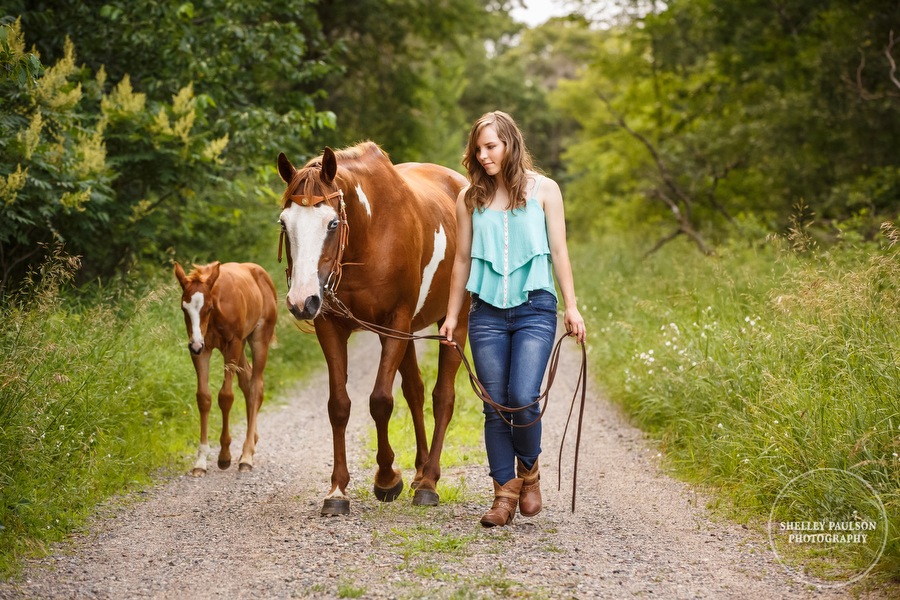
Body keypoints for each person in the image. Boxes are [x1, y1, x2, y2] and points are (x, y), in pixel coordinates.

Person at [440, 110, 586, 527]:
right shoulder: (469, 198)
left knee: (522, 397)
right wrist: (452, 316)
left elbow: (559, 252)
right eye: (478, 149)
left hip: (535, 307)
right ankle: (503, 496)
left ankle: (530, 471)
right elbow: (462, 260)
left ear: (510, 144)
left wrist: (571, 306)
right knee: (494, 405)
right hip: (485, 312)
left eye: (491, 147)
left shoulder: (546, 190)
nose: (483, 156)